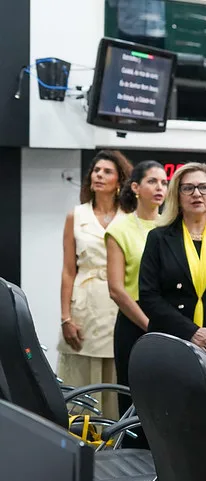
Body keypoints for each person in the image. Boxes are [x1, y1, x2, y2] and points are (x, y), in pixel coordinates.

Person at [139, 163, 206, 385]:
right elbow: (148, 296)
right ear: (177, 195)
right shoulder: (159, 238)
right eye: (188, 188)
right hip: (172, 343)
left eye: (203, 187)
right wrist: (191, 331)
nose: (196, 194)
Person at [57, 150, 132, 420]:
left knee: (116, 372)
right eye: (96, 170)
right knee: (80, 374)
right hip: (84, 303)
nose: (98, 175)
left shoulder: (130, 217)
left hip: (120, 301)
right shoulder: (76, 215)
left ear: (120, 180)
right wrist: (65, 317)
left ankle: (114, 435)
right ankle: (78, 434)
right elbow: (68, 270)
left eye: (107, 171)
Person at [105, 160, 167, 417]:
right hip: (134, 321)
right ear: (135, 187)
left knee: (166, 398)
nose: (160, 188)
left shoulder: (171, 226)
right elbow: (116, 289)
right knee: (133, 401)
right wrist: (150, 325)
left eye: (164, 182)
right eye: (152, 181)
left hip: (167, 317)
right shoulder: (120, 228)